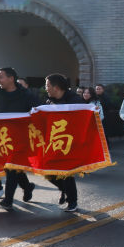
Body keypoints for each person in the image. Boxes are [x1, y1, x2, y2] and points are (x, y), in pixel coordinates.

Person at [0, 67, 41, 208]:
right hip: (3, 138)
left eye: (1, 77)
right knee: (13, 167)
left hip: (21, 138)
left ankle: (8, 199)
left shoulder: (26, 94)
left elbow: (38, 111)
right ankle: (27, 186)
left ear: (11, 78)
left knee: (11, 167)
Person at [45, 74, 83, 211]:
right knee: (47, 171)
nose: (46, 89)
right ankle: (64, 189)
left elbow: (84, 118)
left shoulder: (75, 100)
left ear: (56, 87)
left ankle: (72, 201)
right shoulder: (49, 102)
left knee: (66, 172)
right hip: (54, 141)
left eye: (47, 85)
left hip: (70, 142)